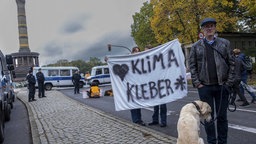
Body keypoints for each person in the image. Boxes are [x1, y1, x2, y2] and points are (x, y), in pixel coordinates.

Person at [189, 17, 235, 144]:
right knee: (208, 118)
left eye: (211, 26)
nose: (209, 28)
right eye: (206, 26)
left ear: (215, 28)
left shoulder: (224, 43)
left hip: (222, 86)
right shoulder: (196, 46)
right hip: (205, 87)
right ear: (202, 30)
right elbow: (192, 66)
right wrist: (197, 83)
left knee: (222, 117)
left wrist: (229, 82)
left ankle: (222, 142)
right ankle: (211, 142)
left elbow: (232, 63)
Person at [144, 45, 167, 127]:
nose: (145, 52)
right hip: (152, 85)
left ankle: (163, 121)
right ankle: (155, 120)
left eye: (147, 51)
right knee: (155, 104)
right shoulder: (145, 61)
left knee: (162, 105)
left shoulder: (158, 60)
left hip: (161, 84)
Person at [130, 46, 146, 126]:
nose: (137, 52)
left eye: (138, 51)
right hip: (131, 85)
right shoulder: (128, 60)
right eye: (135, 51)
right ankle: (135, 120)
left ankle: (139, 119)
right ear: (132, 52)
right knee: (133, 103)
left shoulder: (141, 60)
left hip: (139, 85)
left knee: (138, 103)